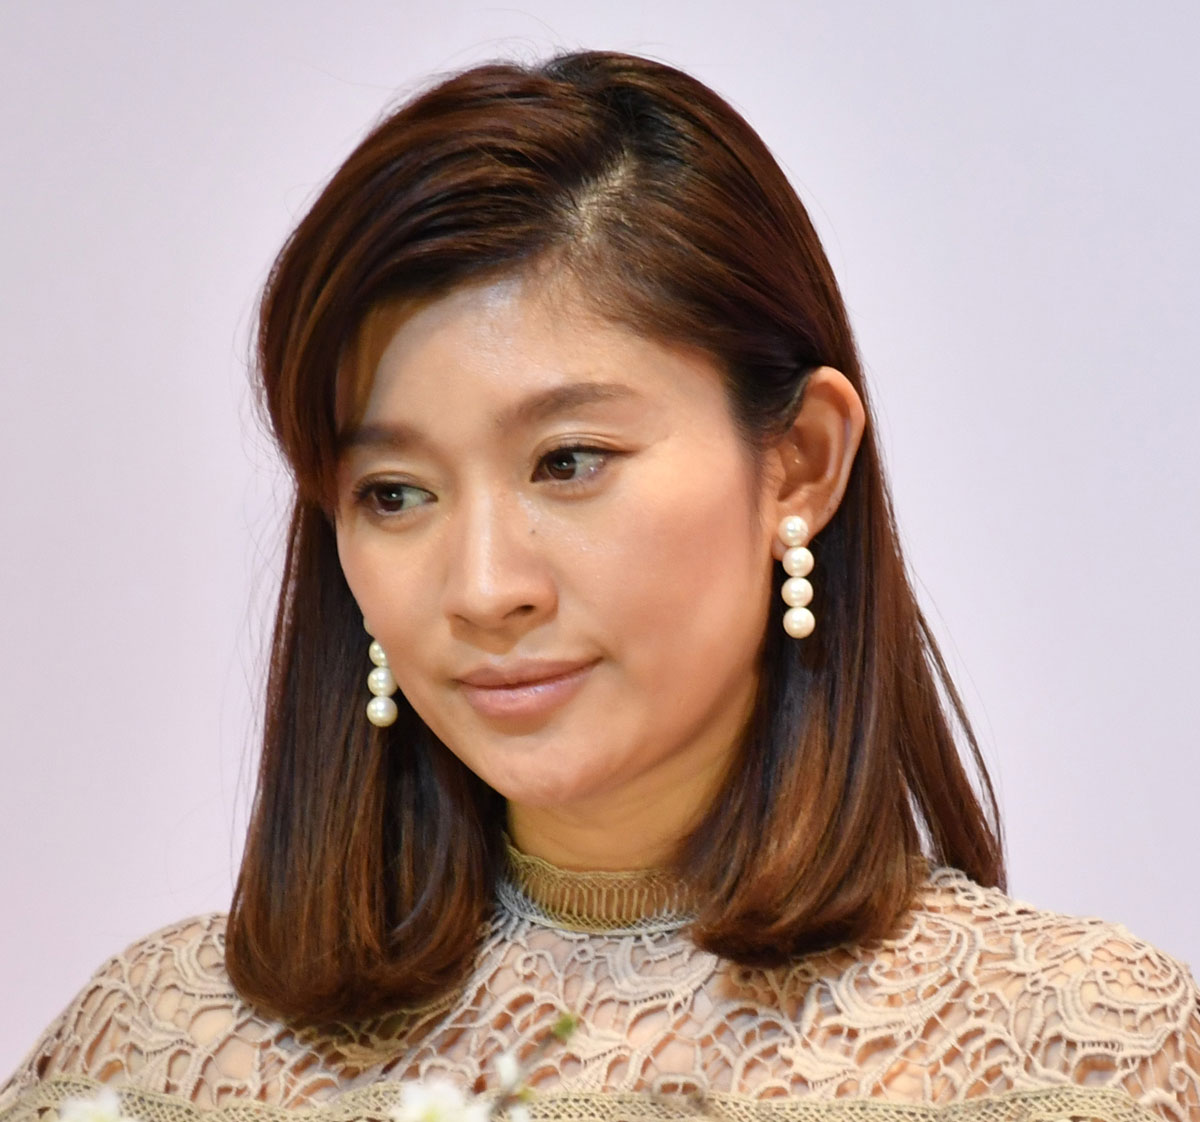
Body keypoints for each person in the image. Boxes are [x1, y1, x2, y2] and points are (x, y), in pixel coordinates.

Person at [2, 49, 1197, 1122]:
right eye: (396, 493)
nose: (484, 588)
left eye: (568, 462)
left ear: (800, 462)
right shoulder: (155, 1054)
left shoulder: (1084, 1057)